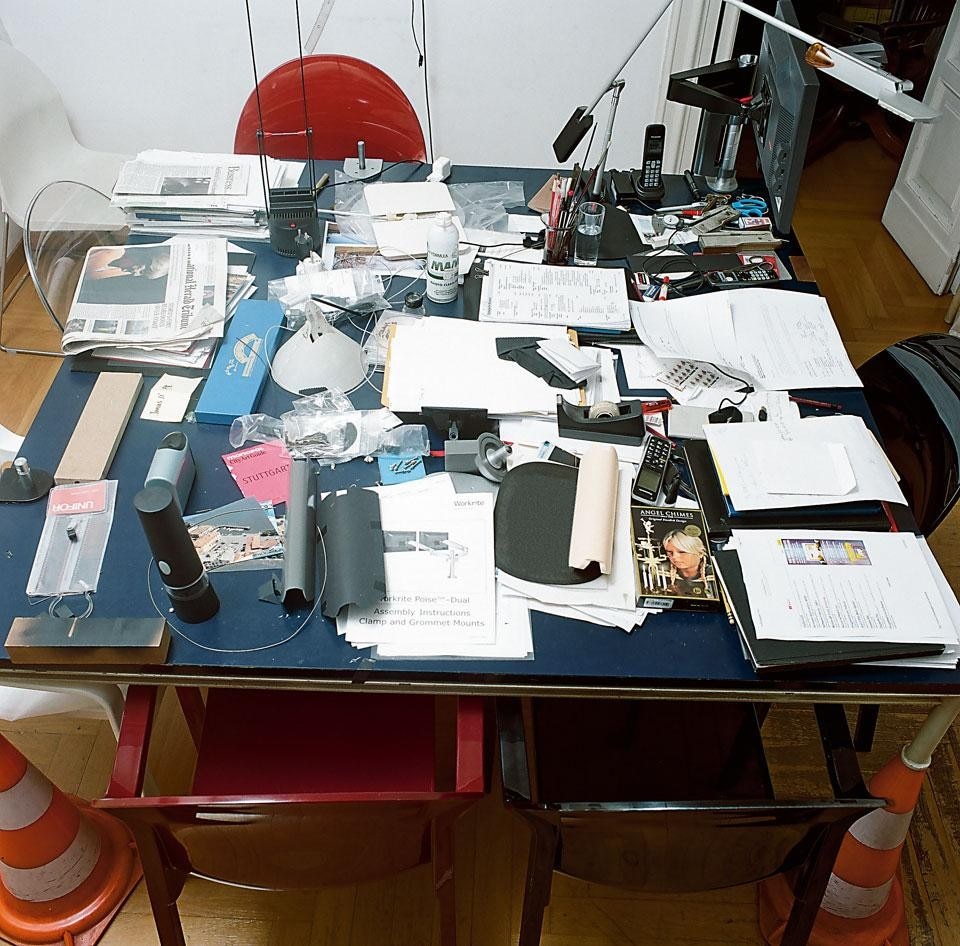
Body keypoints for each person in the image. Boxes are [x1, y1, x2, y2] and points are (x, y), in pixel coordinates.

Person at [662, 528, 716, 598]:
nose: (674, 557)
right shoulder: (661, 571)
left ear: (700, 553)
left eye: (682, 552)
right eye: (669, 552)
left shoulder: (715, 573)